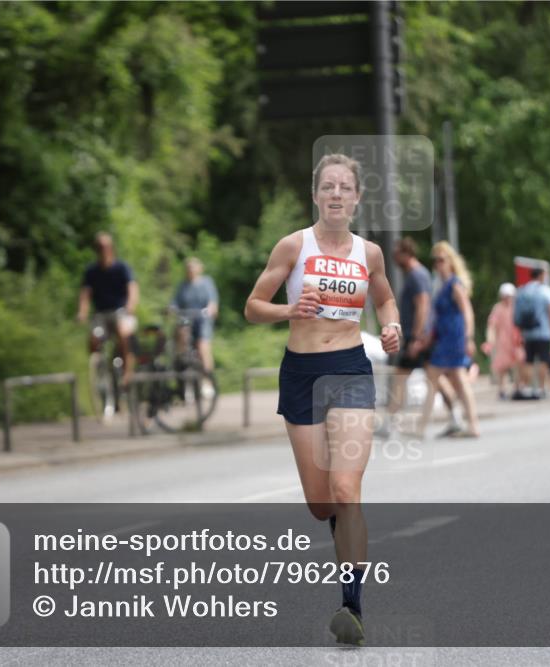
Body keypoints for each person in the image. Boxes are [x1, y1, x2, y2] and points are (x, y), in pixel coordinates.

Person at [244, 153, 400, 646]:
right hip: (302, 372)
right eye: (327, 186)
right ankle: (338, 525)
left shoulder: (369, 253)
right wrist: (290, 308)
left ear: (356, 198)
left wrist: (392, 324)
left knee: (346, 488)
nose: (335, 194)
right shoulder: (293, 246)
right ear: (316, 196)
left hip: (351, 369)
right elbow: (252, 307)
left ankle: (351, 605)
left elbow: (385, 299)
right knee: (320, 503)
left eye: (344, 187)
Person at [417, 241, 481, 438]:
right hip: (444, 339)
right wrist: (429, 337)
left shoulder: (455, 284)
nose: (438, 264)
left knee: (441, 379)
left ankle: (422, 427)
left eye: (441, 260)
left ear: (450, 261)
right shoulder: (443, 286)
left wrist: (469, 338)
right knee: (444, 380)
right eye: (435, 261)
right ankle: (469, 424)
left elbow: (467, 311)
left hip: (454, 338)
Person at [379, 237, 432, 435]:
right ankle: (455, 415)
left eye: (396, 254)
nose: (394, 259)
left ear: (406, 253)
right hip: (420, 337)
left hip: (416, 337)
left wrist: (416, 338)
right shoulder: (417, 274)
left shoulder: (416, 275)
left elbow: (423, 304)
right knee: (437, 378)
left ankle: (390, 423)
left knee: (400, 377)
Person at [77, 232, 139, 385]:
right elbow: (85, 294)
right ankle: (99, 367)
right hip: (101, 314)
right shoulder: (91, 271)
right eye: (99, 247)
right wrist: (82, 312)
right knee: (93, 339)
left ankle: (126, 371)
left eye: (104, 247)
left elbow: (132, 288)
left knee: (122, 333)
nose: (102, 250)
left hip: (120, 312)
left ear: (111, 248)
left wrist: (130, 305)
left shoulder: (122, 267)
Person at [513, 267, 550, 398]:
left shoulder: (522, 291)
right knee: (544, 360)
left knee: (529, 361)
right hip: (543, 331)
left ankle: (527, 387)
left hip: (527, 332)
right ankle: (541, 388)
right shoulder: (545, 291)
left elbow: (517, 315)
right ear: (542, 276)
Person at [172, 257, 219, 372]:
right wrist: (172, 309)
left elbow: (212, 301)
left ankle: (207, 378)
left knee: (203, 346)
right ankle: (182, 363)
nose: (190, 270)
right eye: (188, 267)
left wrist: (211, 309)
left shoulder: (207, 282)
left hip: (202, 319)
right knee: (181, 333)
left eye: (192, 267)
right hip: (187, 320)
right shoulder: (182, 286)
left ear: (199, 268)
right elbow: (175, 303)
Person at [482, 283, 524, 400]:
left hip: (516, 341)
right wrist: (490, 341)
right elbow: (492, 326)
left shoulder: (517, 307)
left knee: (519, 364)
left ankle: (518, 388)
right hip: (503, 342)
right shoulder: (498, 308)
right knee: (502, 367)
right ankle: (502, 390)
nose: (507, 298)